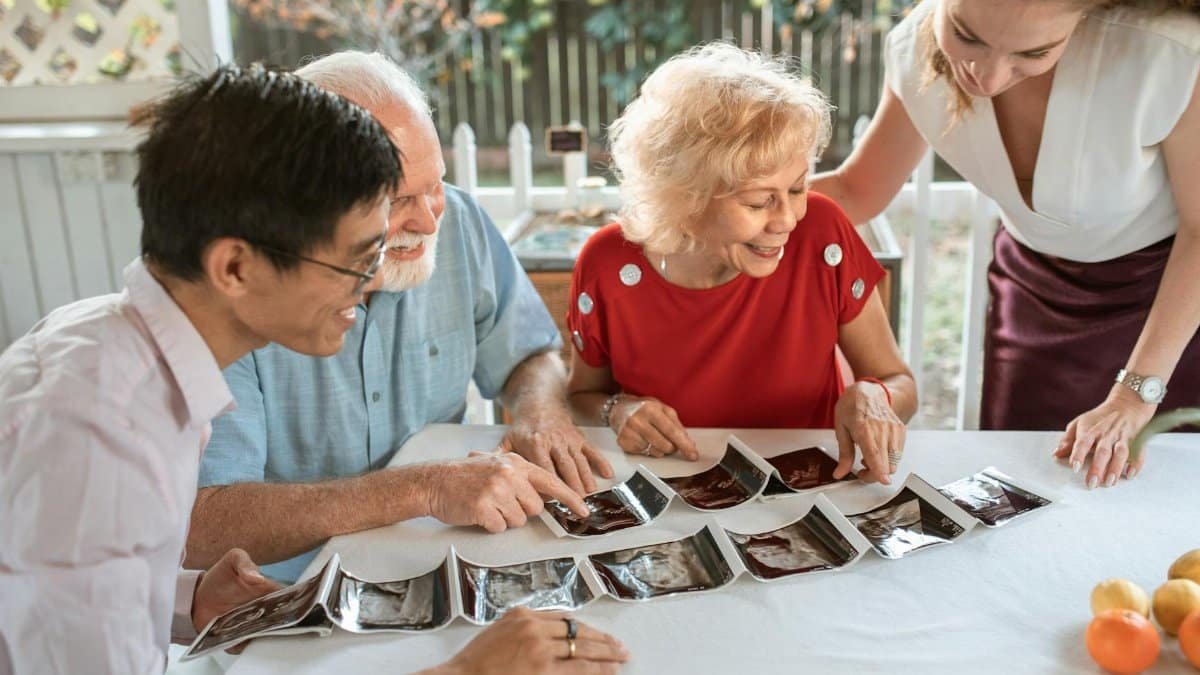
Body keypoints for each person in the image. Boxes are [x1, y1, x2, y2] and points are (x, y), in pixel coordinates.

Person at [0, 63, 625, 675]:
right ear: (236, 269)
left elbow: (80, 585)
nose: (371, 284)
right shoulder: (99, 436)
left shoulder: (139, 367)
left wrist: (185, 599)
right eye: (357, 257)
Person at [187, 51, 608, 585]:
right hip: (294, 591)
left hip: (448, 560)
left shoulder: (456, 220)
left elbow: (528, 355)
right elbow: (201, 524)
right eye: (400, 199)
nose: (431, 217)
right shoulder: (240, 290)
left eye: (435, 184)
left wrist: (537, 413)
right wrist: (423, 488)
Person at [812, 0, 1200, 488]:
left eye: (1034, 52)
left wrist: (1135, 395)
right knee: (1017, 484)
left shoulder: (1171, 55)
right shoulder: (913, 50)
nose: (988, 78)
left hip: (1175, 304)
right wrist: (711, 202)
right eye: (967, 36)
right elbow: (856, 191)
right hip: (1033, 294)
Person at [565, 44, 918, 484]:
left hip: (806, 487)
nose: (787, 220)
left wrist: (874, 394)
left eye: (796, 189)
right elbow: (582, 394)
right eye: (759, 201)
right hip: (674, 488)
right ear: (686, 200)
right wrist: (617, 409)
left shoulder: (823, 232)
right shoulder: (608, 265)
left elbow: (897, 381)